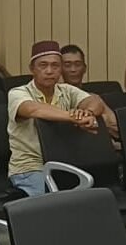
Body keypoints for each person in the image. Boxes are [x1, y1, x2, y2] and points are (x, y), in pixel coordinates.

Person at [8, 40, 105, 197]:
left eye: (55, 66)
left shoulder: (66, 90)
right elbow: (34, 109)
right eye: (43, 65)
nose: (49, 71)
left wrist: (87, 113)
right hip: (31, 167)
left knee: (94, 197)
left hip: (64, 164)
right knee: (51, 205)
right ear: (32, 69)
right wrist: (73, 117)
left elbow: (95, 101)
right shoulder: (18, 92)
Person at [60, 44, 119, 137]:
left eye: (77, 64)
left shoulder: (93, 98)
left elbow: (116, 128)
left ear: (84, 68)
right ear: (59, 69)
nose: (73, 69)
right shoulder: (55, 96)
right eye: (67, 65)